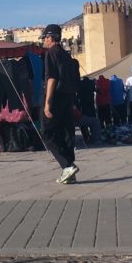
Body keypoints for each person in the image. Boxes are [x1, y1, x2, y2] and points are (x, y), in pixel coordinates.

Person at [40, 23, 79, 185]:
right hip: (69, 97)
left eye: (44, 38)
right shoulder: (66, 55)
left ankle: (67, 166)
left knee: (47, 133)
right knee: (66, 132)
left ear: (50, 38)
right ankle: (69, 171)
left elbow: (51, 78)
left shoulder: (51, 53)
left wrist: (47, 103)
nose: (43, 41)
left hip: (56, 97)